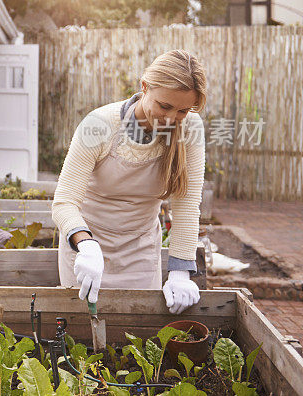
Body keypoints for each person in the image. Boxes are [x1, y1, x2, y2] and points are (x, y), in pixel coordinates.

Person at [52, 49, 206, 314]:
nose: (171, 119)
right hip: (88, 249)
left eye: (182, 110)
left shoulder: (190, 128)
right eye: (164, 106)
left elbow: (187, 204)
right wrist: (86, 244)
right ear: (145, 87)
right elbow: (64, 202)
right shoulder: (99, 125)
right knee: (84, 339)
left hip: (141, 251)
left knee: (136, 337)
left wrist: (181, 270)